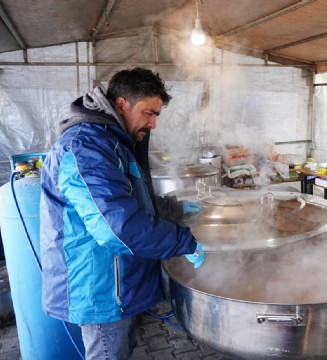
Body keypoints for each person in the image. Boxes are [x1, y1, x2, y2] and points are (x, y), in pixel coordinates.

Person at [39, 67, 205, 359]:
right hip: (99, 286)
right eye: (148, 113)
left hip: (116, 281)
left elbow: (126, 199)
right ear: (121, 105)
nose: (153, 123)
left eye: (156, 115)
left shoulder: (112, 141)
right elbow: (117, 227)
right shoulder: (86, 147)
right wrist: (183, 242)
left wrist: (172, 209)